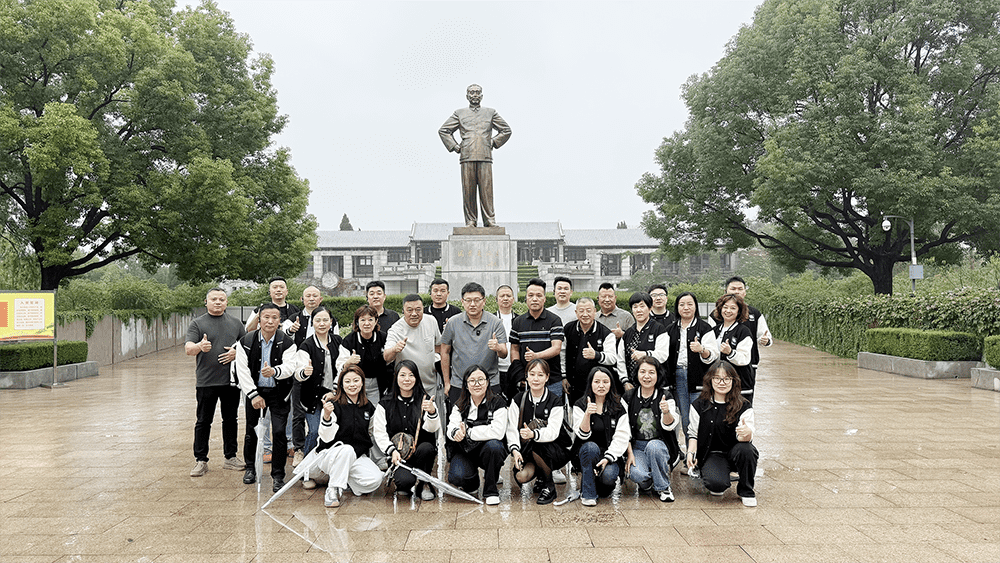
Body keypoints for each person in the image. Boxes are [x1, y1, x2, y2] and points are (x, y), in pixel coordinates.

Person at [234, 303, 298, 492]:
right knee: (251, 431)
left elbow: (290, 367)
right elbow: (242, 370)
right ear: (259, 319)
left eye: (274, 318)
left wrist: (274, 371)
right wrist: (253, 395)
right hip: (255, 391)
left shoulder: (287, 342)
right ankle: (251, 468)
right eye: (266, 317)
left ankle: (278, 475)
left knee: (279, 433)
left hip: (279, 393)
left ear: (280, 321)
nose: (270, 321)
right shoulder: (246, 341)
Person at [185, 288, 246, 477]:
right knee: (203, 421)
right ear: (206, 302)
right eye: (214, 299)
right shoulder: (197, 323)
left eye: (221, 299)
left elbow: (246, 347)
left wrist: (237, 353)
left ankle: (231, 457)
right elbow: (188, 349)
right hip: (206, 381)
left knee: (231, 420)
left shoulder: (236, 323)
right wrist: (199, 346)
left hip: (230, 382)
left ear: (226, 302)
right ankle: (201, 460)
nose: (218, 302)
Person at [438, 83, 512, 228]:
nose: (475, 95)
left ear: (482, 96)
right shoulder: (459, 113)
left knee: (487, 190)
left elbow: (506, 130)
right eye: (472, 93)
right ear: (467, 96)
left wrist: (493, 142)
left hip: (485, 155)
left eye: (478, 92)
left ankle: (489, 220)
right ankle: (471, 221)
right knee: (469, 190)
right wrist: (455, 146)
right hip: (467, 155)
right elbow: (444, 130)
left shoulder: (490, 113)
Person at [686, 360, 758, 507]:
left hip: (735, 451)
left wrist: (746, 433)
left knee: (748, 450)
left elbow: (746, 436)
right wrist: (690, 453)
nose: (722, 382)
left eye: (726, 379)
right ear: (710, 380)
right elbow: (693, 434)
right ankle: (717, 473)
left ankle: (746, 491)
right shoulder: (699, 405)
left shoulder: (743, 405)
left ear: (733, 381)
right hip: (713, 454)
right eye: (717, 378)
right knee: (717, 487)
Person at [244, 277, 299, 462]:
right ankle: (266, 448)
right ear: (270, 291)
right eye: (274, 287)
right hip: (262, 372)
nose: (278, 290)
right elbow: (248, 329)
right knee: (262, 416)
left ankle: (289, 445)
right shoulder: (259, 310)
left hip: (286, 366)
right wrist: (260, 315)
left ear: (287, 291)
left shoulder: (294, 310)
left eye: (281, 287)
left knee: (286, 413)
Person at [312, 366, 382, 508]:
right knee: (347, 450)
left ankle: (344, 479)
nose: (352, 385)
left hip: (356, 456)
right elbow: (325, 438)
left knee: (376, 479)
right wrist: (326, 416)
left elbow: (373, 432)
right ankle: (332, 489)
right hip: (331, 454)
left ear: (362, 382)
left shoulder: (368, 407)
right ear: (341, 384)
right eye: (347, 381)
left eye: (356, 380)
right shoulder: (332, 405)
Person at [372, 360, 440, 500]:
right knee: (404, 483)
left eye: (411, 375)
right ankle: (403, 479)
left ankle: (424, 483)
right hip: (399, 455)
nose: (407, 379)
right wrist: (392, 451)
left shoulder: (425, 400)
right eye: (402, 375)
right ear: (396, 377)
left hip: (420, 452)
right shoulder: (385, 403)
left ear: (416, 378)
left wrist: (432, 412)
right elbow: (379, 433)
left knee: (427, 448)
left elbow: (432, 428)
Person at [507, 359, 572, 505]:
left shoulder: (555, 401)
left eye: (540, 375)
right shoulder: (518, 400)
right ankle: (542, 475)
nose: (536, 379)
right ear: (526, 376)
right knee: (521, 476)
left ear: (547, 377)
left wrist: (533, 434)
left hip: (554, 450)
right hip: (528, 451)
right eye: (532, 374)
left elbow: (553, 432)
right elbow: (511, 429)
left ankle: (549, 486)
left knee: (538, 444)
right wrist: (515, 451)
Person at [338, 304, 393, 470]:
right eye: (362, 320)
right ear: (357, 322)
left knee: (376, 421)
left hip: (377, 385)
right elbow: (339, 365)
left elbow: (390, 359)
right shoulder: (349, 340)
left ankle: (379, 458)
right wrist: (348, 363)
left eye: (370, 319)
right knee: (357, 419)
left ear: (376, 321)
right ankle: (355, 455)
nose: (367, 323)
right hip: (355, 386)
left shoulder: (383, 337)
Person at [446, 365, 509, 505]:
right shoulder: (460, 404)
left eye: (481, 379)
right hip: (466, 450)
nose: (477, 384)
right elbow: (451, 426)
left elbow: (498, 432)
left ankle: (491, 490)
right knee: (457, 477)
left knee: (495, 446)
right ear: (466, 385)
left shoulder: (498, 403)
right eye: (472, 381)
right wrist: (456, 433)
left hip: (487, 450)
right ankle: (472, 482)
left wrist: (469, 432)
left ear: (487, 382)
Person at [290, 306, 341, 477]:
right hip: (312, 396)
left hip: (334, 394)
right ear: (312, 323)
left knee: (335, 431)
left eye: (325, 320)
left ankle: (328, 468)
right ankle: (306, 471)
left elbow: (343, 366)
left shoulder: (338, 341)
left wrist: (335, 390)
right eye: (318, 320)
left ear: (331, 322)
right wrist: (305, 372)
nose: (322, 323)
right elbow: (298, 372)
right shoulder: (307, 345)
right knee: (314, 430)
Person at [623, 356, 680, 502]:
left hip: (660, 445)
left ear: (658, 375)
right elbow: (623, 428)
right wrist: (629, 453)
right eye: (642, 372)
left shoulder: (666, 396)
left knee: (654, 447)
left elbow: (670, 425)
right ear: (637, 374)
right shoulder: (628, 396)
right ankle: (649, 482)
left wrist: (666, 412)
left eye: (651, 372)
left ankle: (663, 487)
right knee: (637, 475)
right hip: (637, 447)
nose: (646, 376)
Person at [440, 282, 508, 403]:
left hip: (489, 383)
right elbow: (444, 352)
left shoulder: (495, 323)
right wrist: (447, 382)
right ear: (462, 301)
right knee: (458, 415)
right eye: (468, 300)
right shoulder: (453, 323)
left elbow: (504, 353)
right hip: (459, 383)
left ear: (484, 301)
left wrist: (498, 348)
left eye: (477, 300)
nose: (472, 304)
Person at [573, 366, 630, 506]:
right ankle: (588, 495)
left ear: (611, 384)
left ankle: (591, 480)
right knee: (590, 447)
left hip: (610, 454)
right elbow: (582, 435)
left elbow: (622, 436)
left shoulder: (619, 406)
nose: (601, 385)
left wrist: (608, 458)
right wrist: (587, 414)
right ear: (590, 383)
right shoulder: (580, 404)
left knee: (607, 482)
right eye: (597, 382)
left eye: (605, 382)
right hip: (587, 452)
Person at [665, 292, 718, 440]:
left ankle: (700, 451)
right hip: (678, 377)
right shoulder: (670, 329)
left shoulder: (705, 328)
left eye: (690, 304)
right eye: (682, 304)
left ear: (696, 306)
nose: (686, 307)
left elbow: (713, 354)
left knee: (699, 416)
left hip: (699, 376)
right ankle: (690, 451)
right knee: (685, 418)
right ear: (677, 308)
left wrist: (702, 350)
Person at [509, 278, 565, 398]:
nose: (534, 299)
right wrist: (520, 374)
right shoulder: (518, 322)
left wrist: (536, 356)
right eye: (531, 295)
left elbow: (556, 348)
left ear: (544, 299)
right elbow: (514, 349)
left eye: (539, 295)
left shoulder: (554, 320)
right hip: (527, 381)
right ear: (526, 298)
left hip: (552, 380)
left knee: (554, 409)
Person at [384, 294, 442, 407]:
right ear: (403, 311)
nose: (414, 314)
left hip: (430, 384)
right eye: (409, 310)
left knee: (431, 415)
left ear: (423, 309)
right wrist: (395, 349)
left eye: (418, 309)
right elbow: (386, 357)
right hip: (407, 388)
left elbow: (439, 346)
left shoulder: (431, 321)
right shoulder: (395, 329)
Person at [563, 297, 618, 405]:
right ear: (576, 312)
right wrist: (563, 376)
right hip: (572, 384)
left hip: (596, 387)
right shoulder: (568, 329)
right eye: (581, 311)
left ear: (595, 311)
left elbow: (612, 358)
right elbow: (562, 354)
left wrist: (596, 355)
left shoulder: (606, 333)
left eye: (588, 310)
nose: (585, 314)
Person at [724, 276, 773, 392]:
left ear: (745, 292)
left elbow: (765, 335)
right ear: (726, 291)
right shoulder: (717, 314)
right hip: (723, 366)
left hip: (748, 365)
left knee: (745, 397)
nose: (736, 292)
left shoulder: (754, 314)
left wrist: (765, 340)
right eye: (733, 289)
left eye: (740, 289)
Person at [616, 292, 670, 392]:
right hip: (632, 387)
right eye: (635, 307)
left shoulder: (659, 329)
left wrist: (645, 354)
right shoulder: (628, 333)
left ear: (650, 308)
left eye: (642, 306)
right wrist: (625, 381)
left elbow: (663, 354)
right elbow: (620, 360)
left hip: (656, 386)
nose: (638, 310)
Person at [709, 294, 755, 403]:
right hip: (719, 384)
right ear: (720, 309)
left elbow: (744, 359)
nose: (728, 311)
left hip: (740, 384)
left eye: (733, 308)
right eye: (725, 307)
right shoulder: (714, 330)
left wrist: (730, 352)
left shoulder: (744, 331)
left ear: (739, 311)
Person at [495, 284, 517, 399]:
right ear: (496, 299)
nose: (505, 298)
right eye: (502, 296)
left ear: (513, 299)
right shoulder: (491, 320)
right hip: (495, 370)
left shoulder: (519, 320)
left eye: (508, 296)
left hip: (514, 370)